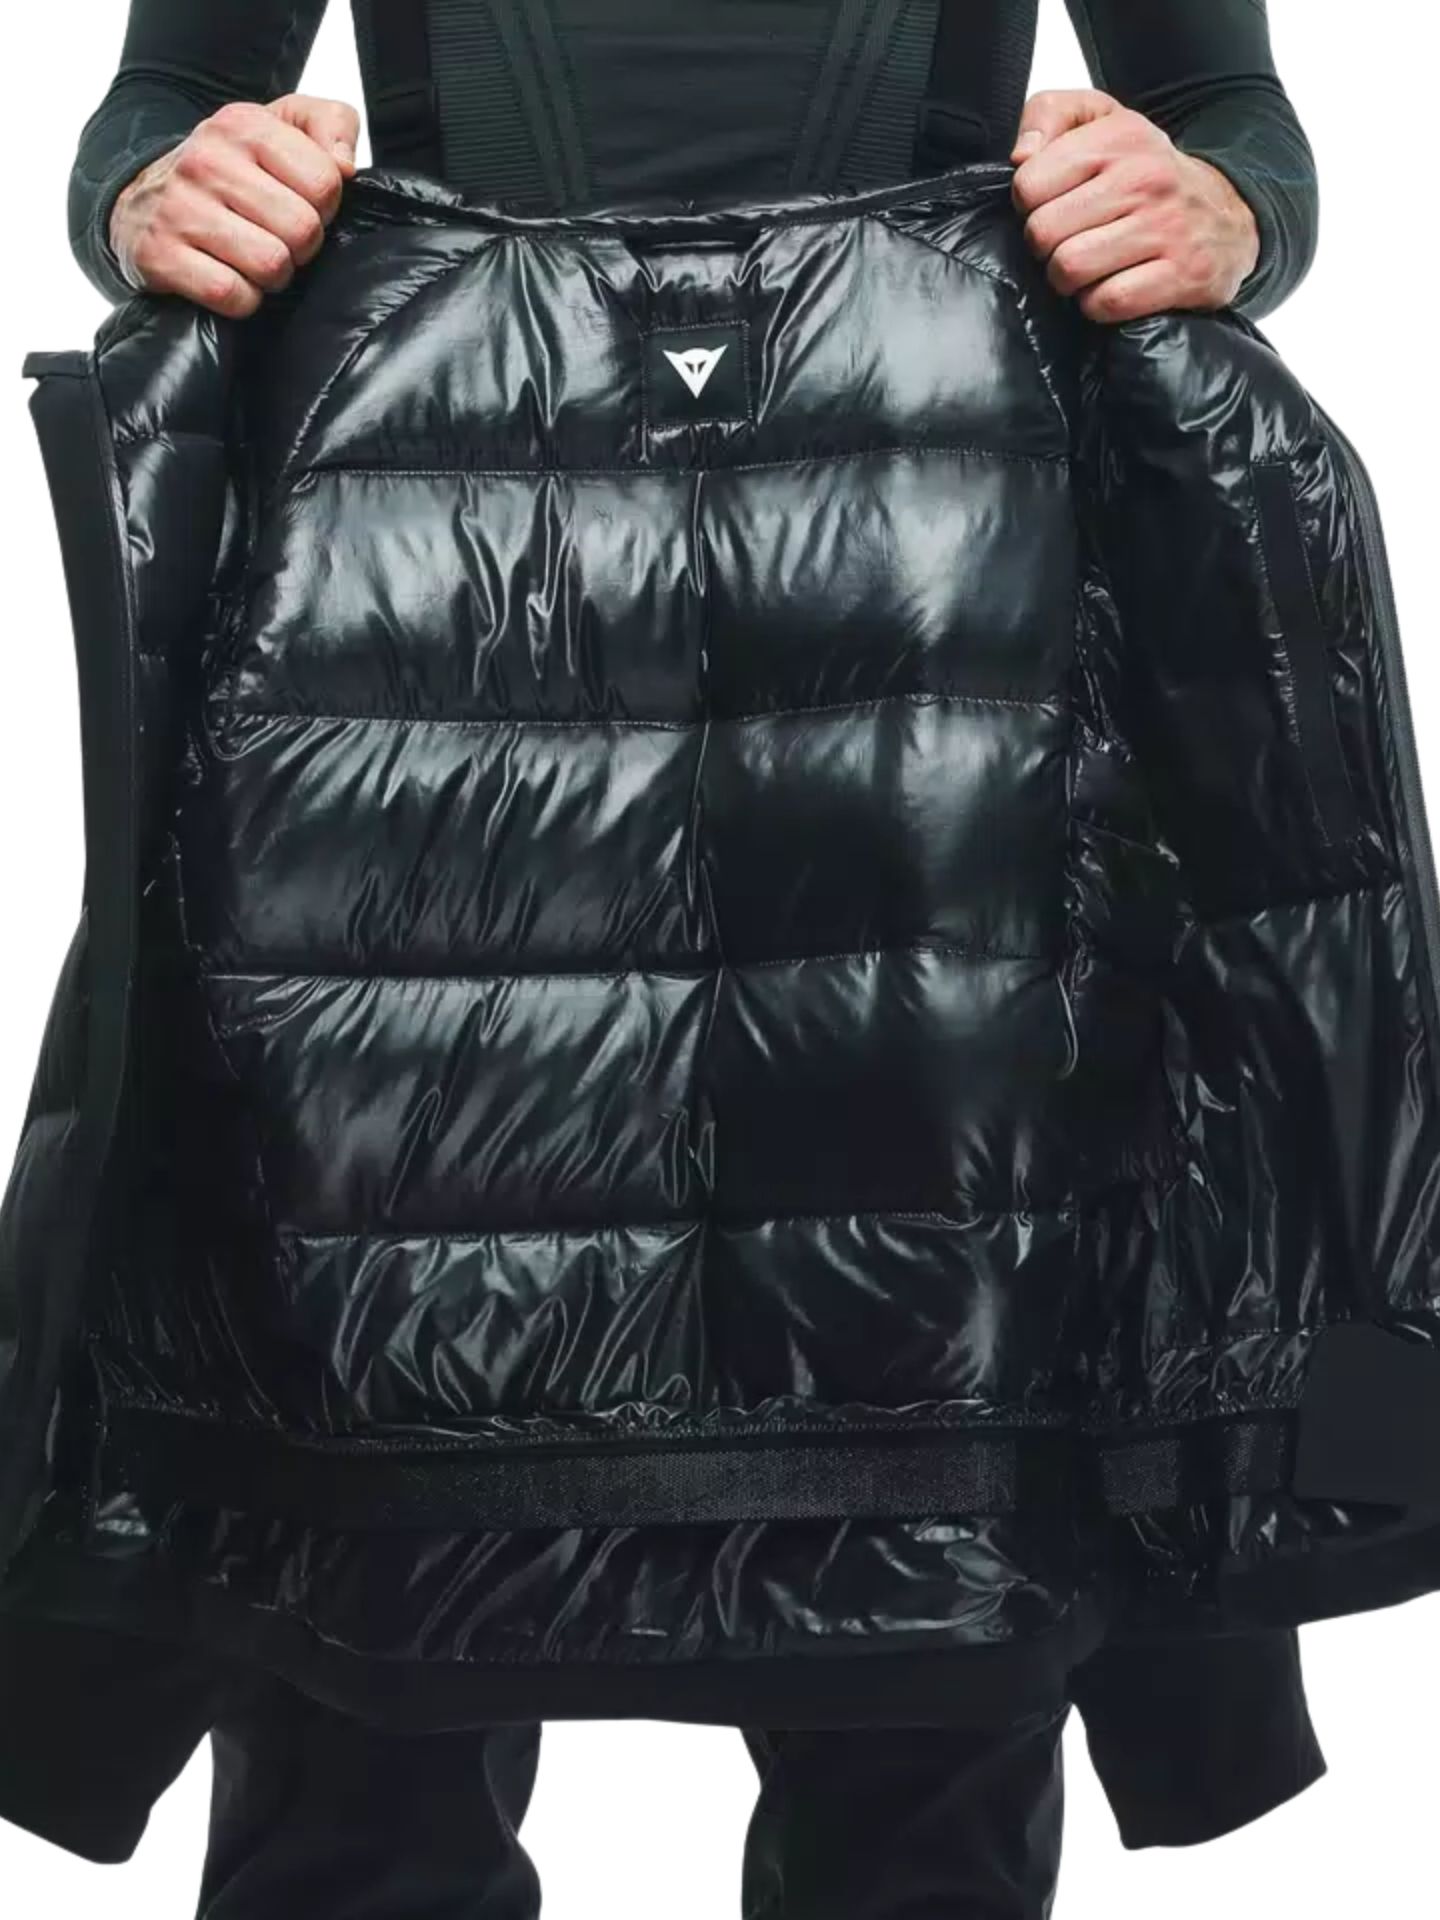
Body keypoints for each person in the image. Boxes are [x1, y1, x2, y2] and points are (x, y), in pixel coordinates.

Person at [8, 4, 1324, 1915]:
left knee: (932, 1592)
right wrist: (154, 192)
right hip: (426, 654)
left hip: (926, 656)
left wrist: (1227, 213)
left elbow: (1229, 117)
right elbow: (162, 104)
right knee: (362, 1621)